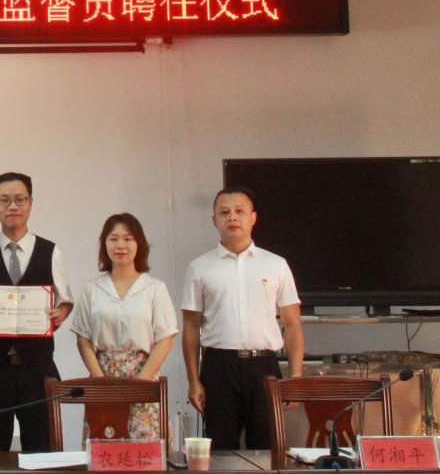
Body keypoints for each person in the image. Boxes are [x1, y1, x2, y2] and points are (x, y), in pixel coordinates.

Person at [181, 187, 304, 450]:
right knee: (220, 451)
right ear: (214, 220)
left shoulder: (276, 264)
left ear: (253, 217)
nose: (232, 217)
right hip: (218, 368)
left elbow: (292, 324)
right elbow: (190, 327)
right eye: (224, 212)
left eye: (239, 211)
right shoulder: (199, 267)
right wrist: (193, 380)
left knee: (267, 449)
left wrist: (295, 376)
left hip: (264, 368)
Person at [0, 172, 73, 453]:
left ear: (30, 202)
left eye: (20, 200)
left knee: (43, 450)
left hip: (38, 368)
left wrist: (60, 314)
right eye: (4, 200)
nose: (12, 206)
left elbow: (65, 300)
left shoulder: (50, 251)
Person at [71, 212, 177, 439]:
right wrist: (100, 381)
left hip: (143, 377)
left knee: (144, 450)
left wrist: (142, 382)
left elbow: (165, 338)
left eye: (128, 239)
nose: (120, 245)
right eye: (113, 239)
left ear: (139, 244)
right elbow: (83, 338)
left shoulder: (155, 288)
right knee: (103, 445)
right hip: (103, 376)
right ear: (104, 244)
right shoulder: (92, 289)